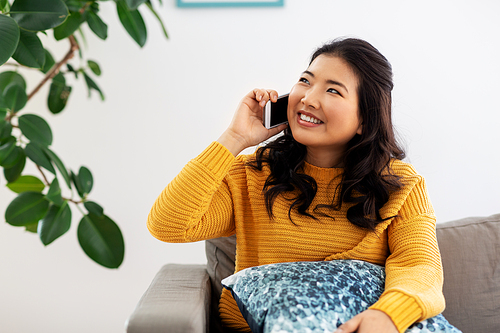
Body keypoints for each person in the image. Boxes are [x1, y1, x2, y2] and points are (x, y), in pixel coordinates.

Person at [147, 37, 445, 333]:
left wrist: (388, 316)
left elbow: (419, 265)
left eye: (332, 90)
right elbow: (168, 225)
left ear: (364, 120)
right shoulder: (252, 174)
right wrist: (235, 138)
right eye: (305, 81)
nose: (308, 98)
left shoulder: (402, 184)